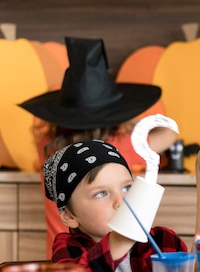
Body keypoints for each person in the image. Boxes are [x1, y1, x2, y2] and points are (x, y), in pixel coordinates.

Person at [19, 37, 177, 258]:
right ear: (111, 114)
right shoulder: (117, 147)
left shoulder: (46, 145)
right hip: (107, 258)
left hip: (61, 255)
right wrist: (127, 123)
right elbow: (169, 133)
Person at [43, 139, 187, 272]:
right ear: (69, 216)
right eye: (101, 193)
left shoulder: (163, 240)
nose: (121, 201)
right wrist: (118, 242)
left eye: (127, 188)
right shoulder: (67, 247)